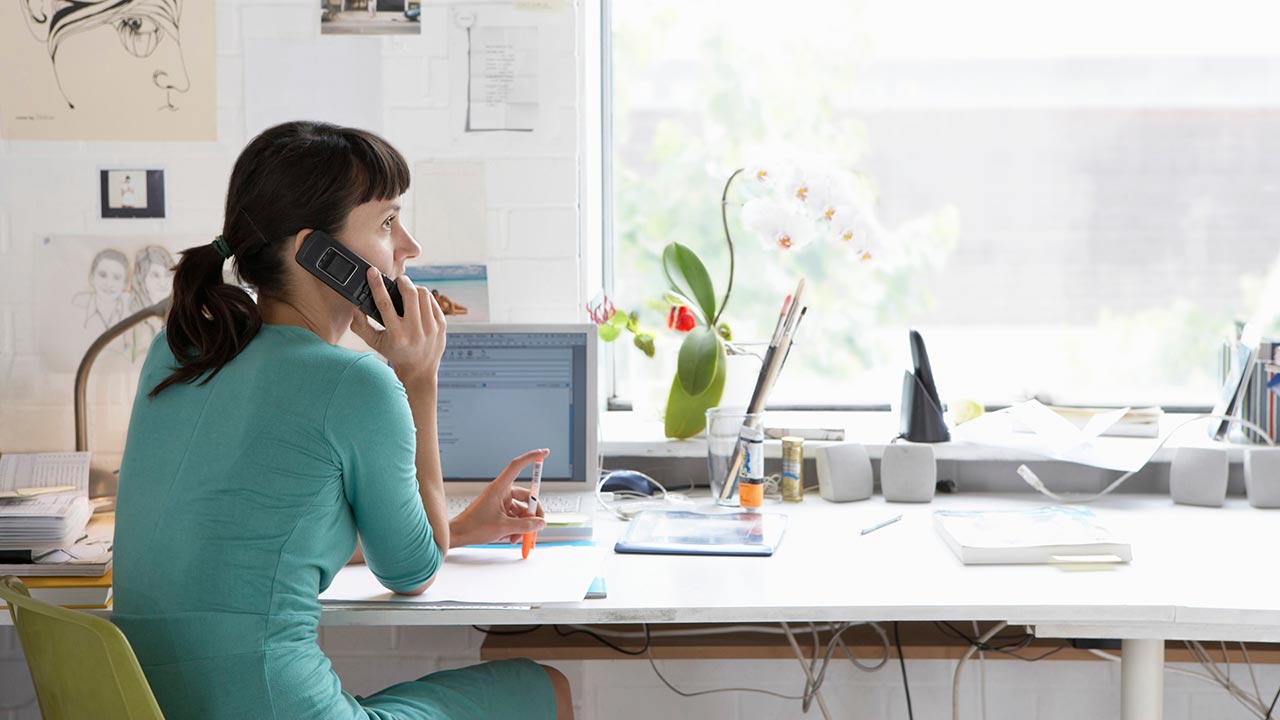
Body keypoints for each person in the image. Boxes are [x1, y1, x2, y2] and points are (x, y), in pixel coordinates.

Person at [112, 121, 573, 720]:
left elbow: (256, 545)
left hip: (145, 707)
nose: (410, 246)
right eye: (387, 223)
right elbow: (413, 572)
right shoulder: (356, 384)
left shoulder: (178, 352)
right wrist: (418, 379)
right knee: (546, 686)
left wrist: (455, 529)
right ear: (318, 254)